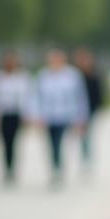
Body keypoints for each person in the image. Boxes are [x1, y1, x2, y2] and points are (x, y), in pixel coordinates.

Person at [33, 48, 89, 187]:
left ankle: (59, 168)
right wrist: (36, 115)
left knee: (61, 142)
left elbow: (80, 97)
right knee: (51, 144)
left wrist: (81, 116)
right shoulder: (43, 75)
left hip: (66, 115)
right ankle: (55, 167)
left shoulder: (72, 75)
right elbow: (35, 97)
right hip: (48, 116)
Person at [0, 50, 31, 183]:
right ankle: (6, 168)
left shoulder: (22, 77)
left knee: (14, 142)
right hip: (3, 114)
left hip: (16, 114)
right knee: (5, 143)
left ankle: (13, 168)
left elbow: (27, 97)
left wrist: (28, 115)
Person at [72, 46, 104, 173]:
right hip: (76, 110)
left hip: (90, 110)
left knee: (86, 136)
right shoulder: (74, 76)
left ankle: (86, 159)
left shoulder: (93, 75)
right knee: (81, 136)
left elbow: (99, 95)